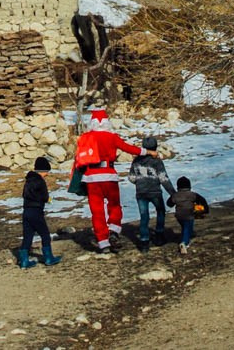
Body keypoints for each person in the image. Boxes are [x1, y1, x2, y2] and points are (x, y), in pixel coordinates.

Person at [72, 108, 142, 252]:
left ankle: (103, 242)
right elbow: (129, 148)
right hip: (109, 175)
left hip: (91, 178)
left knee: (97, 210)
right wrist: (148, 152)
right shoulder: (112, 137)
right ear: (106, 122)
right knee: (114, 205)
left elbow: (79, 158)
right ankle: (114, 230)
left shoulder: (85, 137)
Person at [14, 155, 61, 268]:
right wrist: (47, 199)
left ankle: (24, 261)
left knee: (28, 236)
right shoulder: (40, 181)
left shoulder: (28, 180)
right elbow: (44, 196)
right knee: (45, 235)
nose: (47, 174)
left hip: (26, 212)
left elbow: (26, 195)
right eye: (46, 171)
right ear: (42, 170)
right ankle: (49, 258)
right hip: (36, 212)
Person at [127, 135, 173, 246]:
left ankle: (144, 240)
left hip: (141, 192)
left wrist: (139, 182)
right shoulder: (156, 161)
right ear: (155, 147)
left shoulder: (136, 160)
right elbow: (163, 178)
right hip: (155, 191)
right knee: (161, 211)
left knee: (144, 216)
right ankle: (159, 235)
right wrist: (173, 193)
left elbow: (131, 177)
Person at [169, 175, 209, 252]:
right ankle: (184, 243)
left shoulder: (175, 195)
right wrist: (205, 210)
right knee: (187, 228)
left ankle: (185, 239)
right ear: (189, 186)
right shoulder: (192, 194)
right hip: (189, 214)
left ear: (178, 187)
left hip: (179, 216)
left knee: (185, 227)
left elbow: (169, 203)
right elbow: (202, 200)